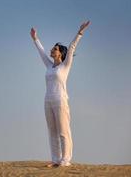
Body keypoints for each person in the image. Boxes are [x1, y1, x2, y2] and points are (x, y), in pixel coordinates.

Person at [30, 21, 91, 167]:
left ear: (60, 53)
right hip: (48, 100)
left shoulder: (65, 65)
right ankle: (56, 159)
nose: (52, 50)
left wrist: (80, 32)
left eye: (55, 49)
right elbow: (41, 52)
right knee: (52, 131)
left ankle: (65, 160)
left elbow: (71, 48)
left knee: (63, 131)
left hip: (60, 100)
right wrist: (35, 38)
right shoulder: (49, 65)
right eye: (53, 48)